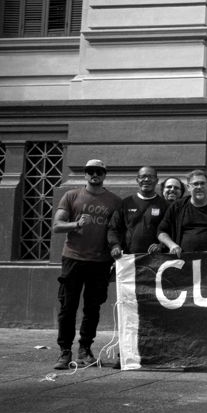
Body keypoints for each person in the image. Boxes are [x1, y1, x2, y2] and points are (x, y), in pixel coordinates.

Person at [51, 159, 122, 370]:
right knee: (68, 307)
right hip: (73, 258)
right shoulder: (71, 196)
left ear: (104, 175)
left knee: (93, 308)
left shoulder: (114, 201)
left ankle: (85, 349)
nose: (95, 175)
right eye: (91, 171)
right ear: (85, 174)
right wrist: (76, 224)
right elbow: (57, 225)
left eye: (99, 171)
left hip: (100, 262)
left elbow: (117, 230)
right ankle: (65, 351)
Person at [157, 170, 207, 256]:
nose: (199, 187)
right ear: (188, 187)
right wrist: (172, 245)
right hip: (184, 259)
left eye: (202, 183)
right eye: (195, 184)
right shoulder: (177, 207)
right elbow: (161, 232)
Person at [108, 166, 167, 259]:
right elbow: (113, 228)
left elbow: (170, 230)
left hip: (155, 259)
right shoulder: (125, 203)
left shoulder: (165, 205)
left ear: (156, 180)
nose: (146, 179)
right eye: (143, 176)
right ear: (137, 180)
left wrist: (161, 245)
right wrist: (115, 245)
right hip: (128, 258)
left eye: (150, 177)